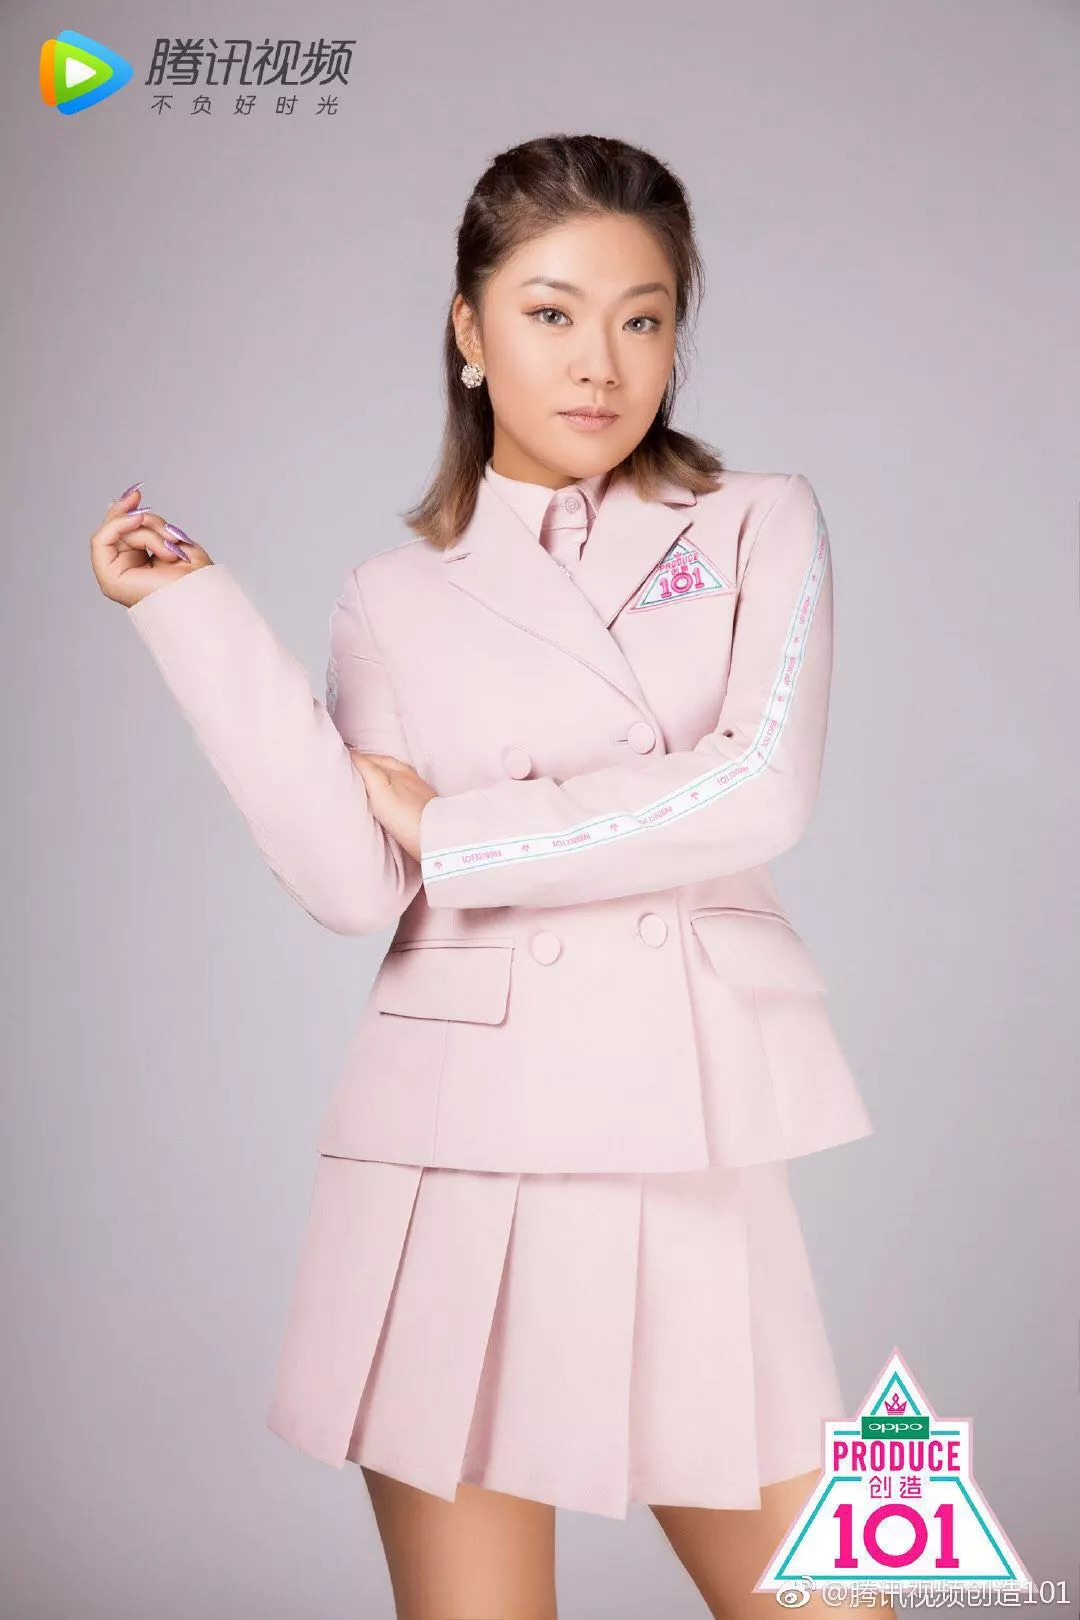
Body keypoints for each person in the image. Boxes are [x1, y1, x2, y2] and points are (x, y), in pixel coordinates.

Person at [89, 133, 875, 1620]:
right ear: (470, 328)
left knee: (838, 1599)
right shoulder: (393, 594)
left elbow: (760, 787)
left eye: (643, 318)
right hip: (455, 1146)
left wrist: (459, 830)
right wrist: (195, 616)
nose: (600, 363)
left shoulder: (758, 518)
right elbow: (352, 884)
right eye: (551, 311)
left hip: (684, 1134)